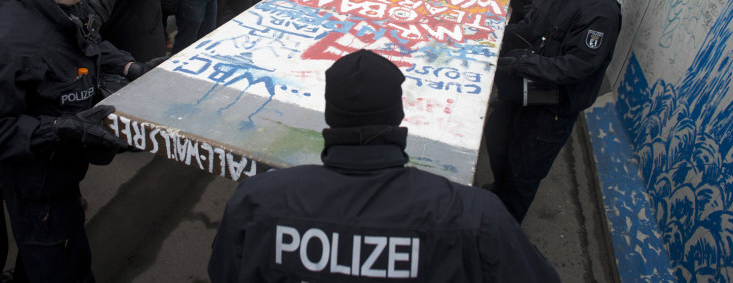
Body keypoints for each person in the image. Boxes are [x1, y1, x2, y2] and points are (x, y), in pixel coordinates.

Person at [208, 49, 561, 282]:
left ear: (330, 117)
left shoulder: (256, 200)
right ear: (399, 116)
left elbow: (223, 272)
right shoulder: (475, 216)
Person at [0, 0, 163, 282]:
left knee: (58, 249)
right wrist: (61, 129)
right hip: (35, 182)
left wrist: (127, 65)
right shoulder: (5, 47)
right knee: (60, 263)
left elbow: (84, 40)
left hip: (61, 169)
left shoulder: (56, 4)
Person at [486, 0, 621, 224]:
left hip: (553, 108)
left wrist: (522, 65)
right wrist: (492, 36)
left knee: (524, 172)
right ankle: (498, 194)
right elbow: (529, 26)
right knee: (497, 138)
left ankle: (504, 230)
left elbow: (579, 64)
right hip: (522, 90)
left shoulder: (601, 10)